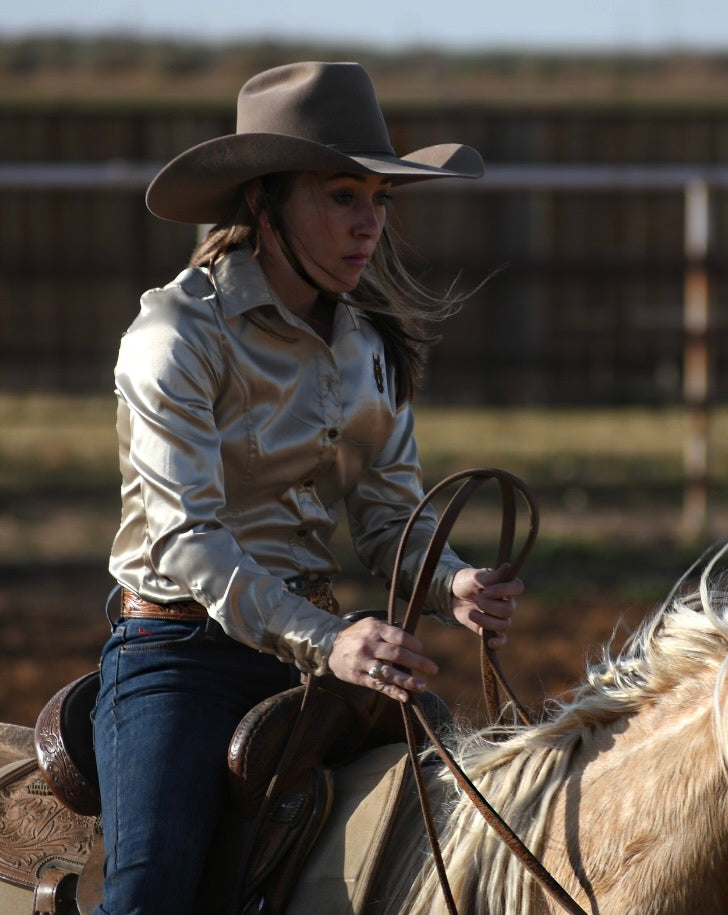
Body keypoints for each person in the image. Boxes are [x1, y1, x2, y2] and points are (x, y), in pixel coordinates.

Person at [92, 60, 522, 914]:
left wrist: (450, 579)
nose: (369, 226)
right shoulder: (175, 334)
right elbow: (188, 543)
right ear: (264, 202)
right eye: (341, 197)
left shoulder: (370, 345)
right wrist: (329, 640)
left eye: (380, 201)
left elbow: (389, 515)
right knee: (149, 893)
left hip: (329, 654)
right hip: (183, 658)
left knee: (486, 831)